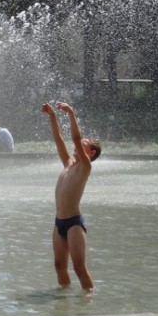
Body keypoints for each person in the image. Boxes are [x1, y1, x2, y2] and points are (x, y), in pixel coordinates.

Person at [41, 102, 101, 291]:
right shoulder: (68, 163)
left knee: (79, 268)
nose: (80, 142)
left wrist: (71, 113)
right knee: (59, 266)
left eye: (85, 143)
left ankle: (88, 300)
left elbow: (75, 137)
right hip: (59, 222)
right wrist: (52, 116)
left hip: (74, 224)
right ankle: (64, 301)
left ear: (90, 153)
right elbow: (59, 139)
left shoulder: (85, 166)